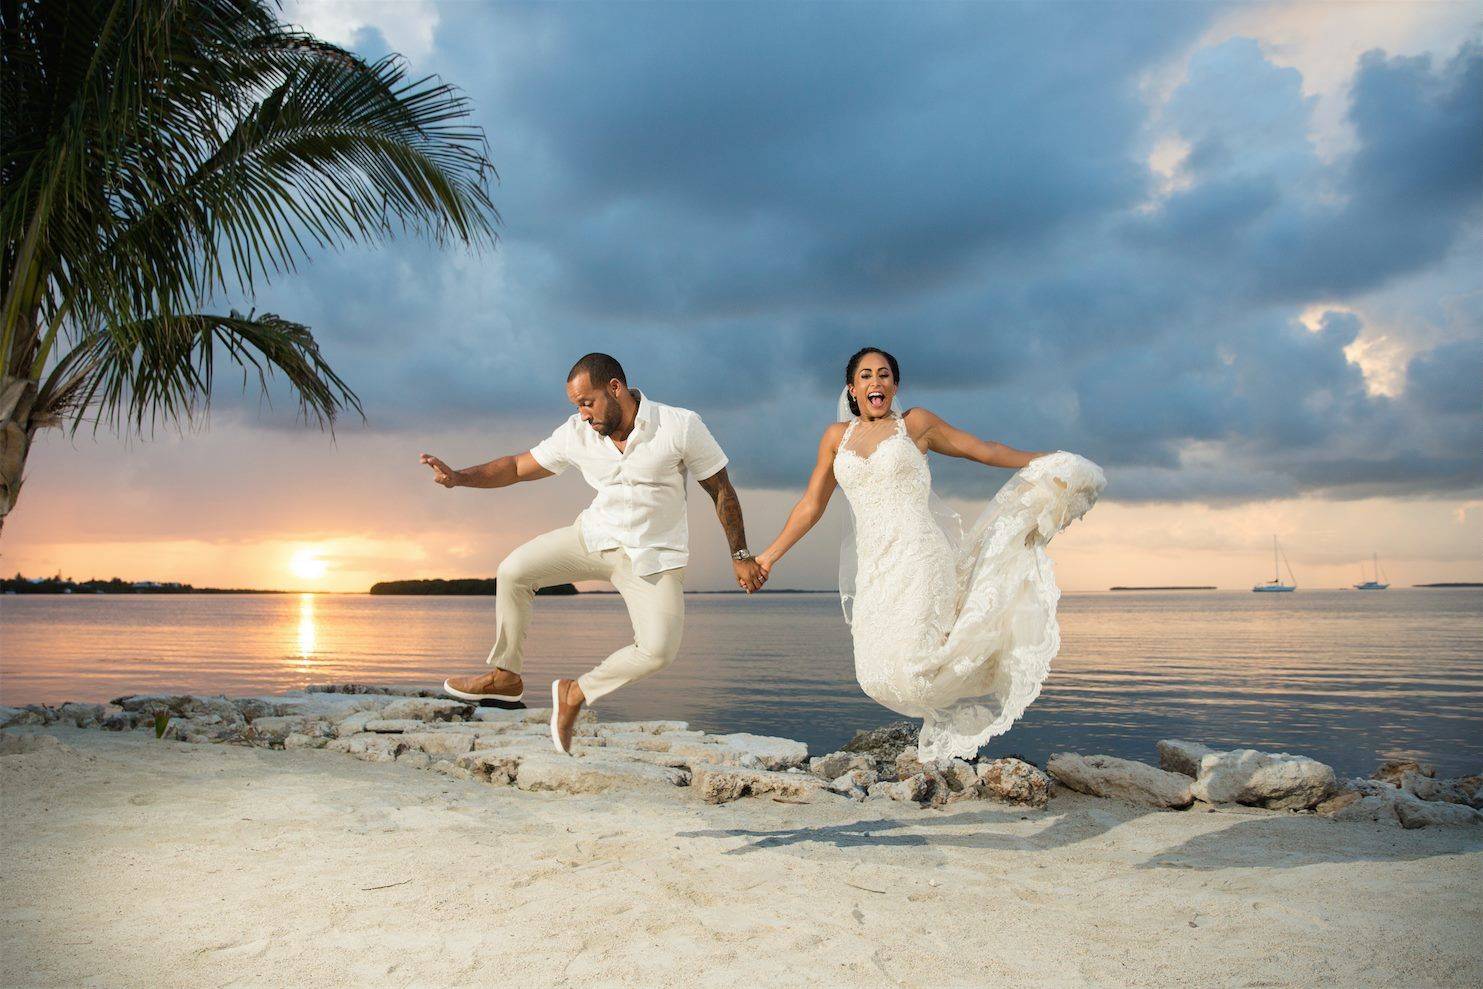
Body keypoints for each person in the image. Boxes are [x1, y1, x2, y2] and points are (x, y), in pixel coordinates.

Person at [756, 347, 1106, 762]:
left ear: (895, 385)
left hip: (920, 556)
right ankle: (949, 723)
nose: (875, 382)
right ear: (852, 389)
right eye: (866, 376)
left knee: (920, 660)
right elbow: (811, 505)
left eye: (884, 375)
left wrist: (1051, 461)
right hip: (875, 567)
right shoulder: (836, 438)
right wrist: (767, 558)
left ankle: (950, 742)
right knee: (877, 672)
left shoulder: (915, 425)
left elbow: (982, 449)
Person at [422, 353, 766, 754]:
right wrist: (460, 478)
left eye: (588, 402)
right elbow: (517, 467)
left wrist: (740, 554)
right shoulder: (577, 433)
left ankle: (576, 692)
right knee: (514, 570)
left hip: (652, 557)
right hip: (592, 539)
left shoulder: (680, 424)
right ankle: (505, 676)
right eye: (577, 406)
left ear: (615, 388)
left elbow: (720, 488)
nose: (583, 414)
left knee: (658, 651)